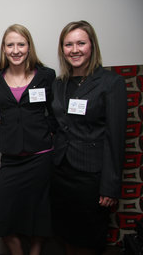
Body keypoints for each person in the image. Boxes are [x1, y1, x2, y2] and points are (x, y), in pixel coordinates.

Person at [51, 20, 127, 255]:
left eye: (80, 43)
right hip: (61, 172)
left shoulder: (110, 82)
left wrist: (110, 186)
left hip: (91, 178)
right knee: (64, 235)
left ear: (92, 45)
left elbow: (116, 137)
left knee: (88, 240)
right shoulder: (59, 83)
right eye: (68, 44)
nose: (74, 50)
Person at [0, 24, 56, 255]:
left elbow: (56, 112)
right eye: (10, 45)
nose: (16, 50)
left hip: (41, 157)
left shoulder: (46, 75)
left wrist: (51, 133)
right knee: (5, 218)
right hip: (11, 159)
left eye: (21, 44)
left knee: (40, 215)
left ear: (29, 47)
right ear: (4, 49)